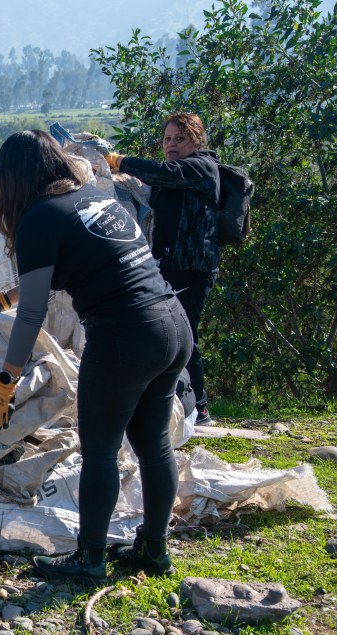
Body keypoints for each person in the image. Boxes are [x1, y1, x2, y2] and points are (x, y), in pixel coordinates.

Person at [0, 130, 192, 581]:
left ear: (14, 179)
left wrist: (5, 381)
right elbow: (79, 266)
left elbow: (35, 312)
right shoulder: (93, 197)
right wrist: (2, 300)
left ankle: (89, 558)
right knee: (154, 445)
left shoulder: (37, 218)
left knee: (100, 452)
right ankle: (154, 549)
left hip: (123, 337)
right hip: (172, 324)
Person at [104, 113, 220, 425]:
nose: (170, 144)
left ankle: (199, 409)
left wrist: (118, 160)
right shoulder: (177, 173)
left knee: (184, 335)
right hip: (170, 266)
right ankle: (179, 405)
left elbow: (159, 172)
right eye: (167, 139)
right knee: (171, 334)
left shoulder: (201, 167)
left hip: (191, 267)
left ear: (196, 140)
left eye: (179, 139)